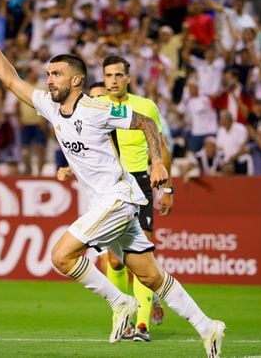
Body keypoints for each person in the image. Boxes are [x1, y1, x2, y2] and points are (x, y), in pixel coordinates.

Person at [0, 10, 225, 357]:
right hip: (106, 202)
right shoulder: (50, 107)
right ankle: (208, 326)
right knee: (150, 277)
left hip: (117, 198)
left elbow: (146, 122)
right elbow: (11, 80)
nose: (49, 80)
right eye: (47, 74)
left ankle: (121, 303)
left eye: (56, 74)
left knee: (61, 255)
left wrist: (158, 161)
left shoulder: (97, 109)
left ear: (76, 81)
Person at [90, 55, 174, 342]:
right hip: (111, 186)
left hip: (140, 181)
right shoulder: (97, 107)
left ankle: (141, 326)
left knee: (142, 255)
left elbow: (162, 150)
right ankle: (124, 315)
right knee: (114, 262)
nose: (112, 80)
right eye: (108, 76)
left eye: (118, 75)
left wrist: (168, 188)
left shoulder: (145, 106)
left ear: (128, 77)